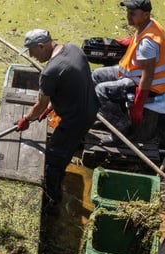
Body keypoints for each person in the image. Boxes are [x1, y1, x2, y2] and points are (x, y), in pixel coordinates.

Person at [14, 29, 99, 215]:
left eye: (31, 51)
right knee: (67, 148)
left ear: (41, 46)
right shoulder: (74, 49)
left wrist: (26, 119)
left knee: (52, 158)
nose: (31, 56)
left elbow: (40, 104)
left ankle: (52, 201)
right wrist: (52, 105)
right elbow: (72, 83)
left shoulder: (49, 72)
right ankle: (62, 170)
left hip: (75, 119)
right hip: (91, 109)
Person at [91, 0, 165, 142]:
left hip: (148, 86)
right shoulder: (149, 24)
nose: (129, 15)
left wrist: (138, 105)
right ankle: (109, 116)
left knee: (100, 91)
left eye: (133, 13)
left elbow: (147, 76)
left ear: (146, 15)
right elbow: (139, 38)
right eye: (128, 12)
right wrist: (128, 41)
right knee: (96, 75)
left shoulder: (148, 43)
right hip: (133, 73)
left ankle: (122, 126)